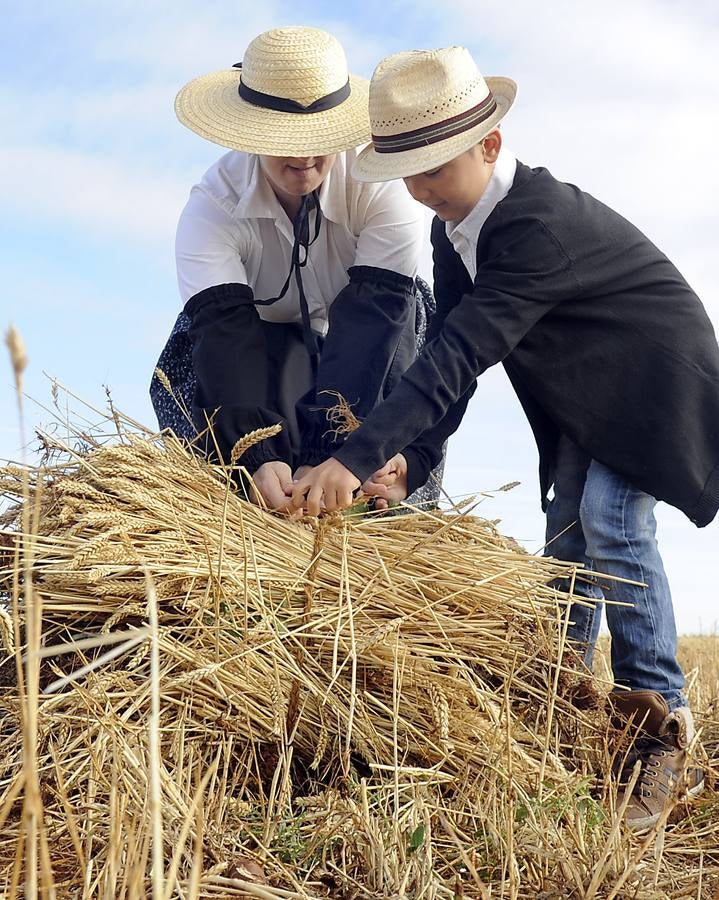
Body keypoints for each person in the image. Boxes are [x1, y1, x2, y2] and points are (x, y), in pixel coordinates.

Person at [290, 46, 718, 829]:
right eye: (407, 174)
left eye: (435, 169)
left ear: (488, 145)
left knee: (612, 523)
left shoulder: (534, 226)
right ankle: (564, 696)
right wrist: (407, 458)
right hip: (585, 393)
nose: (421, 190)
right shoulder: (457, 230)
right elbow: (447, 354)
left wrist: (349, 458)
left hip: (654, 383)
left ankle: (660, 727)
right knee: (565, 536)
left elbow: (458, 356)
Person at [150, 26, 444, 510]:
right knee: (196, 386)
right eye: (285, 137)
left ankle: (392, 505)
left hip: (379, 329)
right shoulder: (212, 209)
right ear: (252, 132)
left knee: (412, 324)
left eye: (319, 136)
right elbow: (226, 337)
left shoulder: (384, 192)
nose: (304, 155)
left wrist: (331, 455)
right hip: (253, 339)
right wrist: (256, 454)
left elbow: (372, 326)